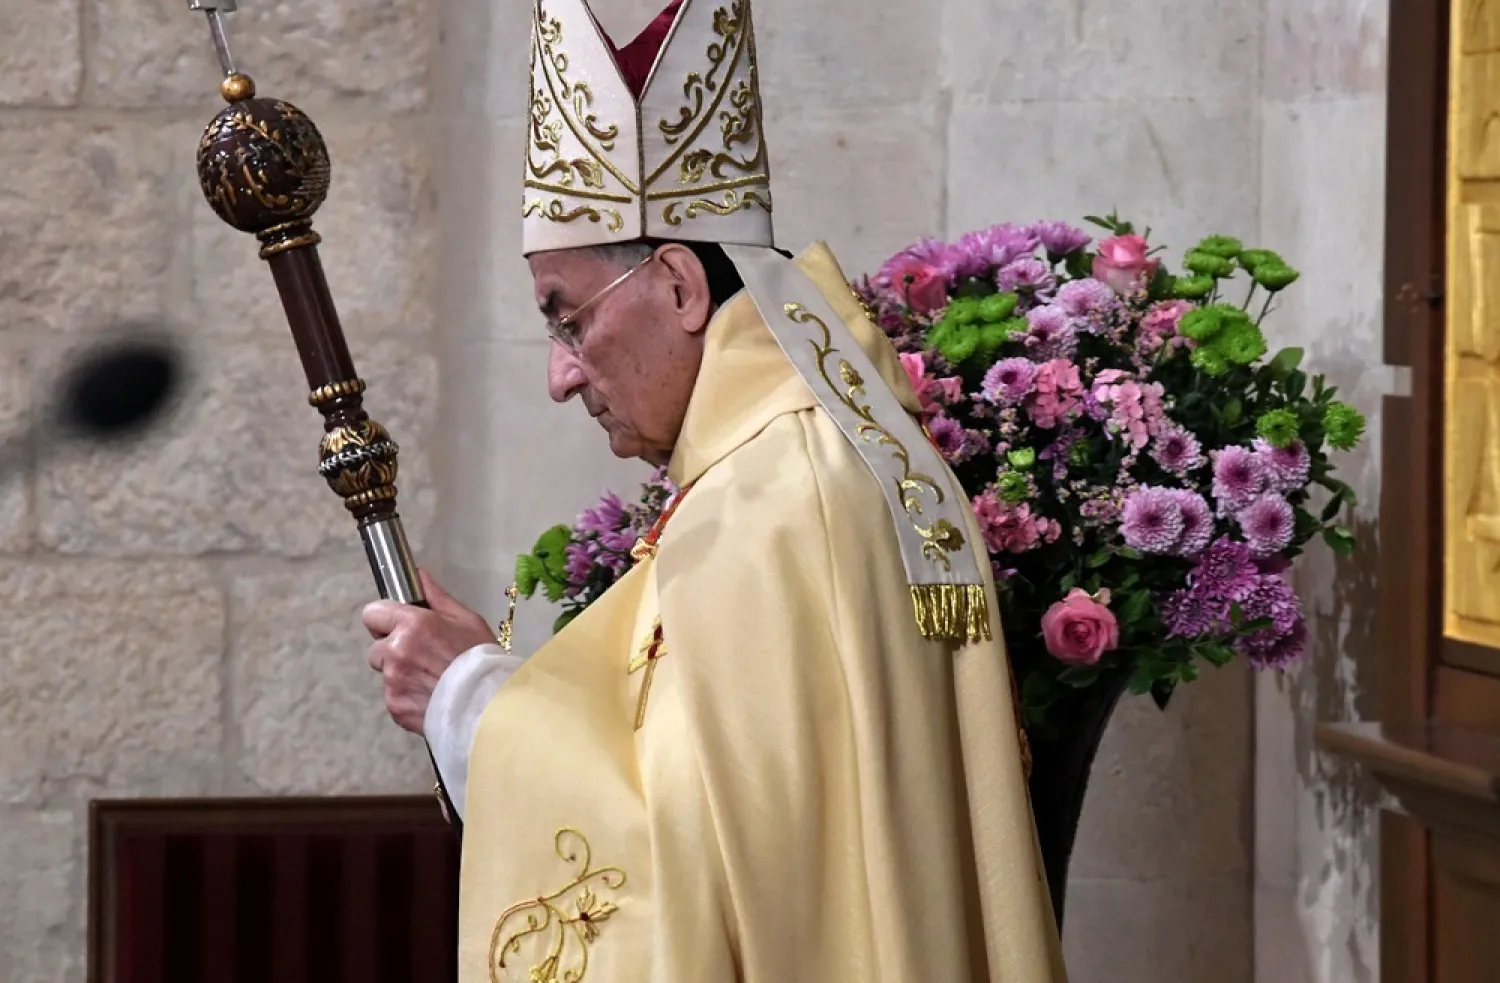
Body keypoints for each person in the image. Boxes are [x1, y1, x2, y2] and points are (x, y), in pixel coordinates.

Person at [360, 0, 1070, 979]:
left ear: (682, 287)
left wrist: (466, 694)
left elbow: (681, 874)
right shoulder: (819, 451)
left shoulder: (771, 504)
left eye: (568, 321)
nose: (560, 375)